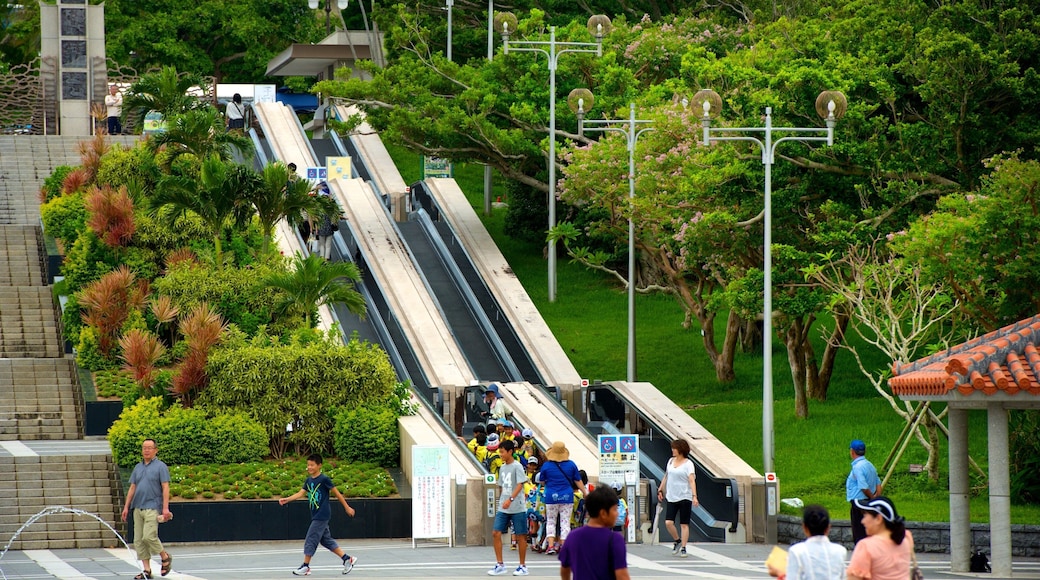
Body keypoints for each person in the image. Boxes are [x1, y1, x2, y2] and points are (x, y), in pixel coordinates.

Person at [279, 454, 358, 576]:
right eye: (308, 465)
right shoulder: (309, 480)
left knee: (311, 538)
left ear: (319, 465)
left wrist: (347, 507)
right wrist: (287, 499)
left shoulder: (324, 479)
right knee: (326, 541)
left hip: (322, 514)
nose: (309, 467)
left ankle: (305, 566)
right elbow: (301, 493)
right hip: (316, 514)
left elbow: (337, 493)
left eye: (312, 465)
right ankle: (347, 559)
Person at [120, 438, 173, 579]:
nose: (146, 450)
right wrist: (126, 507)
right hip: (138, 507)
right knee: (138, 540)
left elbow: (165, 487)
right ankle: (147, 570)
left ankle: (165, 557)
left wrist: (165, 508)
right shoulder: (138, 467)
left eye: (149, 448)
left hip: (152, 506)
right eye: (144, 448)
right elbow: (132, 487)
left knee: (149, 536)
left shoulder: (161, 467)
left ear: (156, 450)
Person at [558, 486, 631, 580]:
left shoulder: (573, 536)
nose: (617, 514)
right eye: (614, 509)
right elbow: (622, 575)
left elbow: (564, 569)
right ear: (603, 513)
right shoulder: (614, 539)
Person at [536, 441, 588, 556]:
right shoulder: (571, 465)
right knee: (565, 522)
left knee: (551, 521)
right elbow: (577, 480)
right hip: (567, 497)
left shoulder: (546, 466)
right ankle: (564, 546)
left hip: (551, 497)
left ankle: (550, 546)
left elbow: (542, 481)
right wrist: (585, 492)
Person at [768, 504, 846, 580]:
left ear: (804, 527)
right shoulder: (840, 551)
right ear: (828, 528)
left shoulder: (797, 551)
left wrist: (780, 573)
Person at [846, 497, 914, 580]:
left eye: (865, 516)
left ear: (878, 519)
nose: (862, 521)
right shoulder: (906, 539)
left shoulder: (866, 546)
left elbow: (854, 578)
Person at [488, 439, 529, 576]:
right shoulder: (502, 467)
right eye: (499, 452)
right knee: (496, 532)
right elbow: (501, 485)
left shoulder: (517, 466)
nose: (500, 454)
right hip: (503, 507)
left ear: (510, 452)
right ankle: (500, 564)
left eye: (502, 452)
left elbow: (520, 484)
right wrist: (502, 500)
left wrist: (510, 499)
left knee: (521, 535)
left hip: (517, 506)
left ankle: (522, 566)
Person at [657, 438, 697, 558]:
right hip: (671, 496)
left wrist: (694, 496)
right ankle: (677, 540)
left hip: (685, 496)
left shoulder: (688, 464)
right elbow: (666, 476)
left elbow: (691, 480)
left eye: (674, 448)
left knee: (684, 524)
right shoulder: (670, 461)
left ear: (681, 450)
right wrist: (660, 489)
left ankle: (684, 547)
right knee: (668, 522)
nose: (672, 450)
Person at [846, 439, 881, 543]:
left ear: (852, 451)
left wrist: (872, 497)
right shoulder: (870, 465)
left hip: (859, 502)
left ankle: (861, 550)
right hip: (867, 502)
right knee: (867, 531)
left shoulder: (858, 467)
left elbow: (863, 486)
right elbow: (878, 483)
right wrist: (876, 498)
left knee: (859, 532)